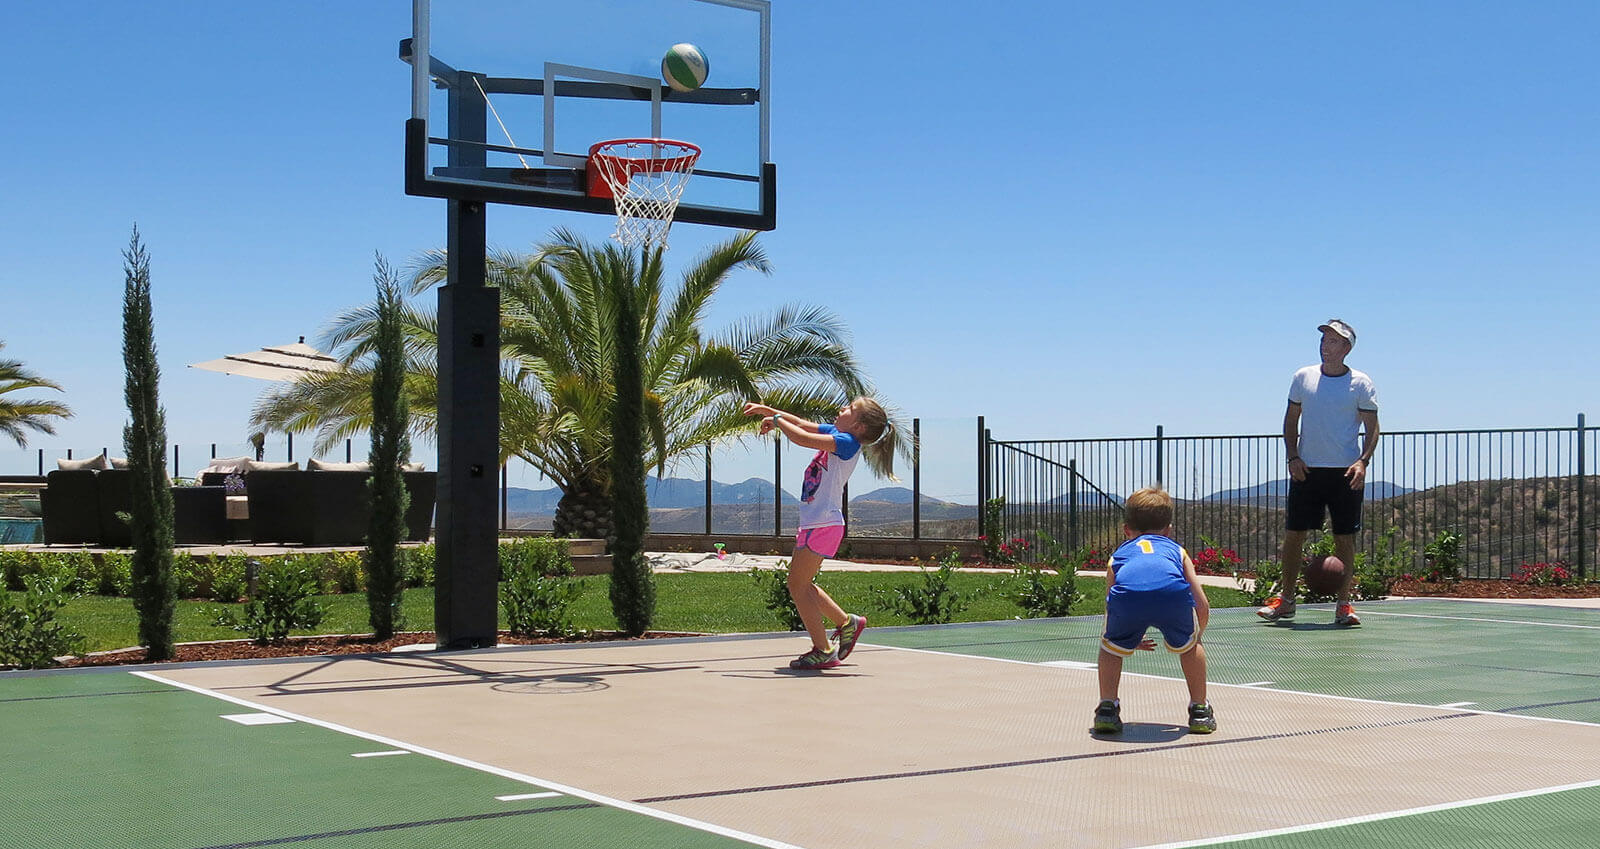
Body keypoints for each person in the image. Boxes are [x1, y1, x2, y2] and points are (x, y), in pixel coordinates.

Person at [743, 397, 891, 670]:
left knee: (797, 585)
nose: (840, 409)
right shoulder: (837, 433)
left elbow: (801, 437)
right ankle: (847, 623)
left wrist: (776, 422)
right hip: (816, 524)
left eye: (847, 409)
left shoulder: (848, 444)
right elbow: (800, 423)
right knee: (802, 584)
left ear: (858, 425)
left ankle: (823, 649)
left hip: (824, 524)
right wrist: (768, 411)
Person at [1258, 319, 1380, 627]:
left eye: (1333, 341)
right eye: (1324, 339)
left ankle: (1344, 605)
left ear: (1346, 348)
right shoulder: (1303, 377)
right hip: (1307, 471)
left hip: (1345, 473)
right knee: (1294, 535)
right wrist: (1293, 456)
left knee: (1345, 539)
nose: (1325, 345)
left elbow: (1372, 428)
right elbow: (1290, 421)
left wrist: (1362, 461)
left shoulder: (1361, 383)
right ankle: (1286, 601)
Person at [1093, 486, 1214, 735]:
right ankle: (1199, 709)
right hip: (1172, 597)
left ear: (1127, 530)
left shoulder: (1118, 556)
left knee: (1109, 646)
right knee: (1191, 647)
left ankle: (1107, 707)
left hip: (1128, 600)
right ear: (1168, 530)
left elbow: (1111, 602)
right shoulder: (1177, 551)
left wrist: (1125, 637)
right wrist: (1197, 632)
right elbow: (1200, 600)